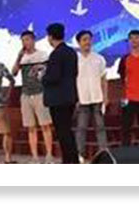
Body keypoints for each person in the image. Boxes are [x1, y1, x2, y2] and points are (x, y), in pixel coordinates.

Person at [11, 31, 55, 164]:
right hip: (26, 95)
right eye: (23, 40)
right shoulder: (22, 57)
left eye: (27, 39)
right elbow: (14, 72)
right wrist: (19, 57)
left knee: (45, 125)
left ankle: (49, 155)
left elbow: (49, 72)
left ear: (33, 40)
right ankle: (35, 157)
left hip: (40, 93)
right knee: (31, 127)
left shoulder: (42, 55)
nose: (25, 43)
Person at [42, 23, 80, 164]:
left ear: (51, 37)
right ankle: (72, 160)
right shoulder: (71, 52)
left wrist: (43, 77)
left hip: (58, 99)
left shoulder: (56, 54)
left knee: (63, 132)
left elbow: (53, 77)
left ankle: (69, 162)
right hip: (70, 96)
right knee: (67, 131)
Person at [74, 29, 108, 162]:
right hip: (82, 98)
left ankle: (104, 153)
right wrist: (75, 98)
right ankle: (80, 155)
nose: (87, 42)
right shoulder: (75, 59)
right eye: (84, 40)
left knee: (100, 127)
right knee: (81, 128)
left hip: (97, 98)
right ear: (79, 42)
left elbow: (104, 79)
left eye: (89, 39)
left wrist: (106, 96)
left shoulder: (99, 59)